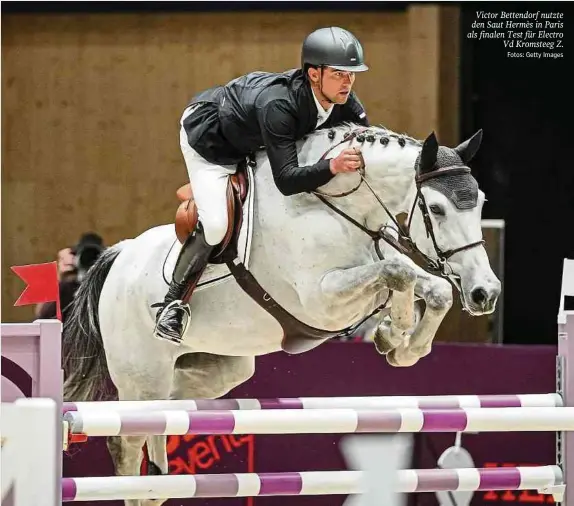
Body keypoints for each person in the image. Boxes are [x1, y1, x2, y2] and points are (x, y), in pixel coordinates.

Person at [153, 26, 371, 345]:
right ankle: (172, 304)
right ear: (314, 74)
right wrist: (333, 166)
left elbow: (364, 147)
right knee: (215, 225)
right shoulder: (279, 106)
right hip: (212, 143)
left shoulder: (346, 103)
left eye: (351, 74)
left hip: (256, 139)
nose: (348, 82)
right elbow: (286, 180)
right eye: (339, 74)